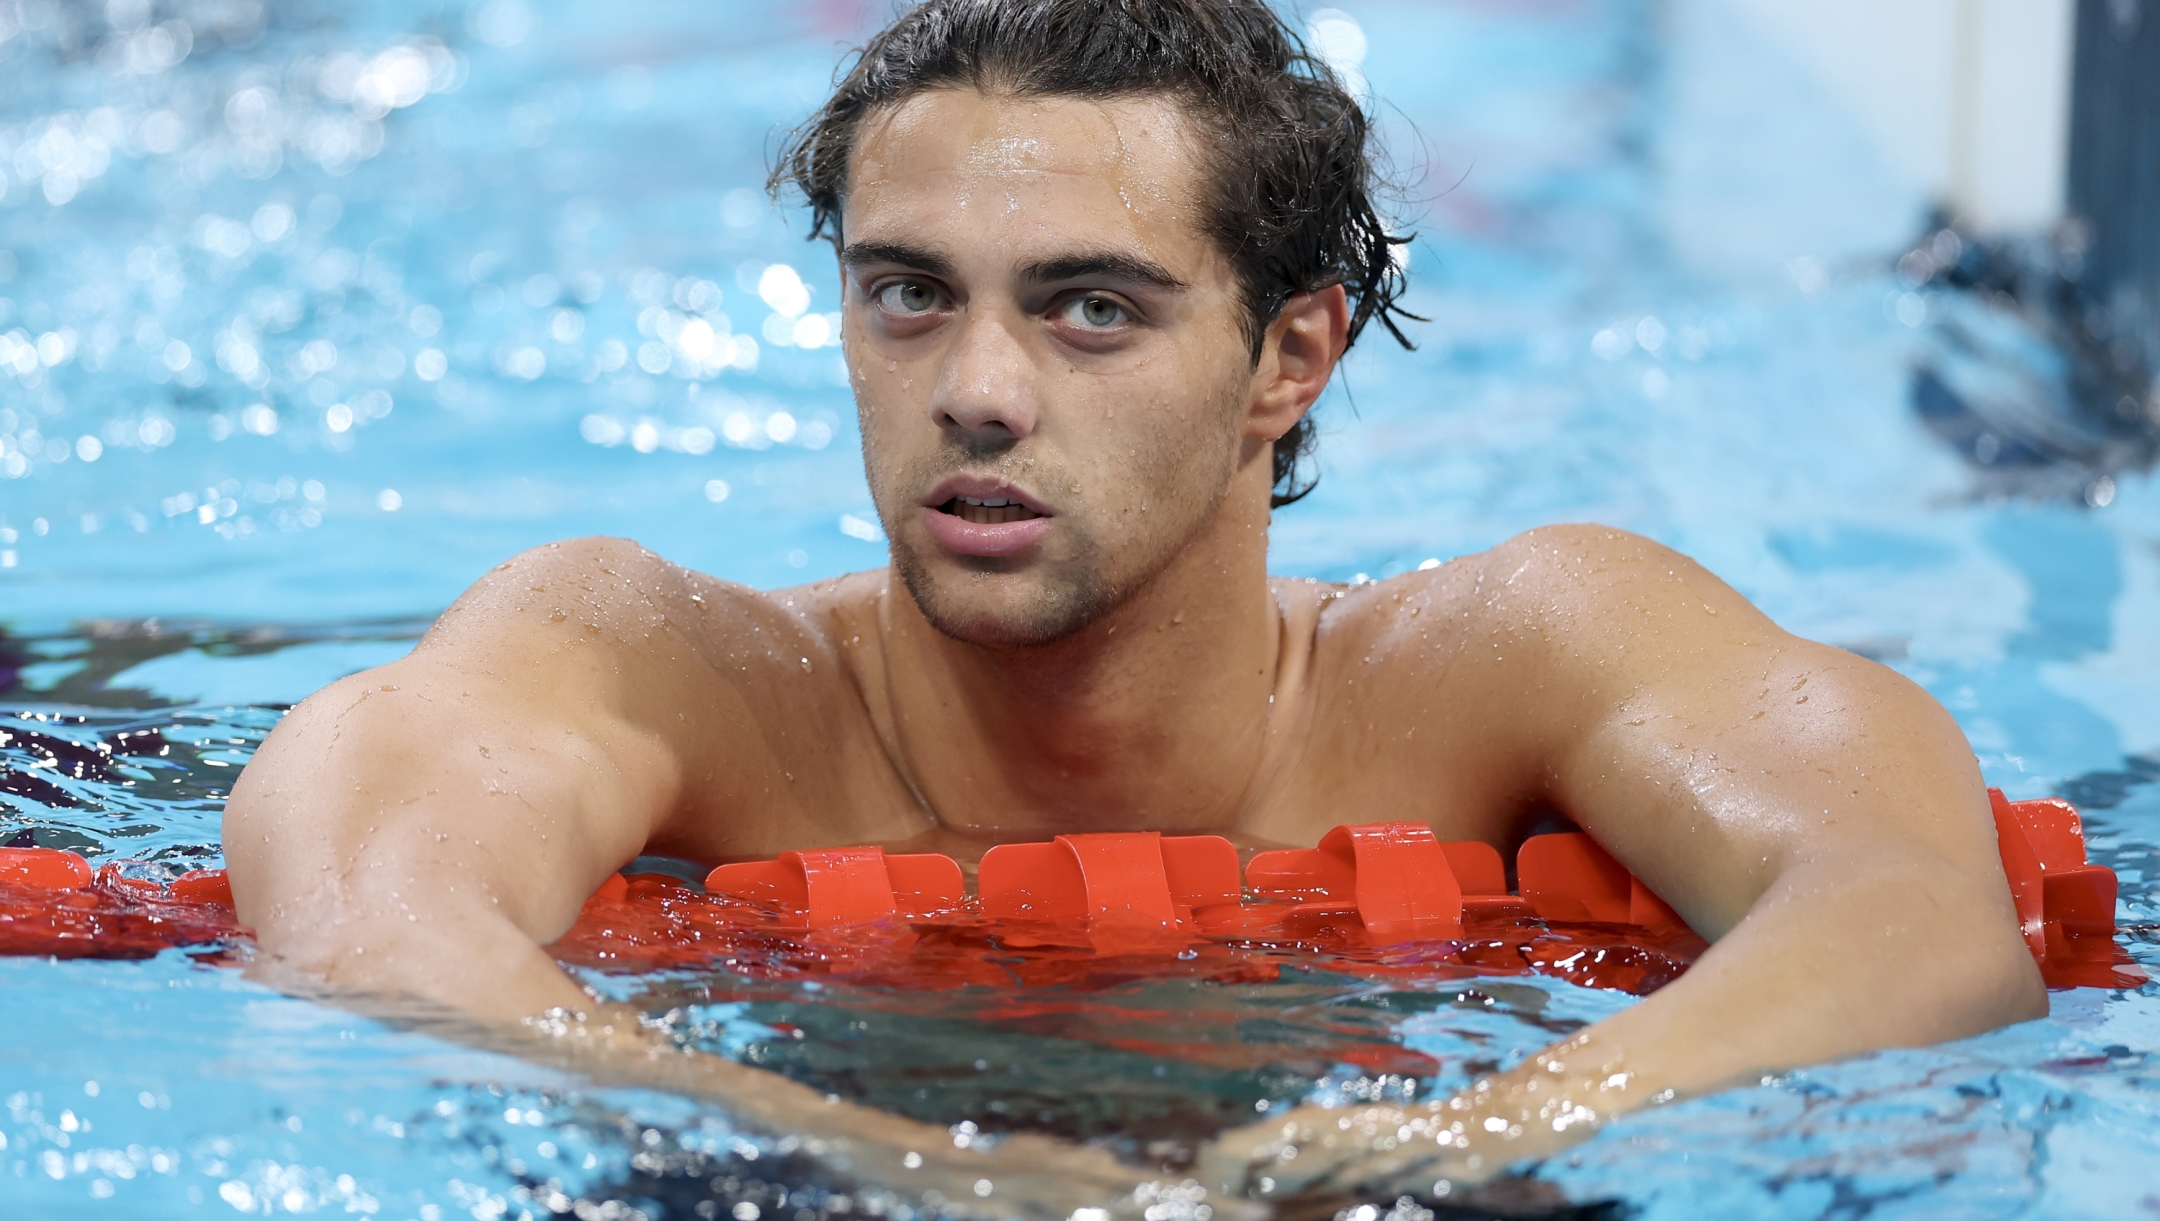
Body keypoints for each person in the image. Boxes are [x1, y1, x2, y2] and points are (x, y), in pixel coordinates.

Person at [224, 0, 2045, 1210]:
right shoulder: (658, 664)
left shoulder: (1514, 657)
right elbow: (371, 924)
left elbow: (1917, 917)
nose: (979, 390)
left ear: (1290, 355)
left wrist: (1462, 1141)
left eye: (1093, 307)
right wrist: (913, 1170)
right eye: (909, 295)